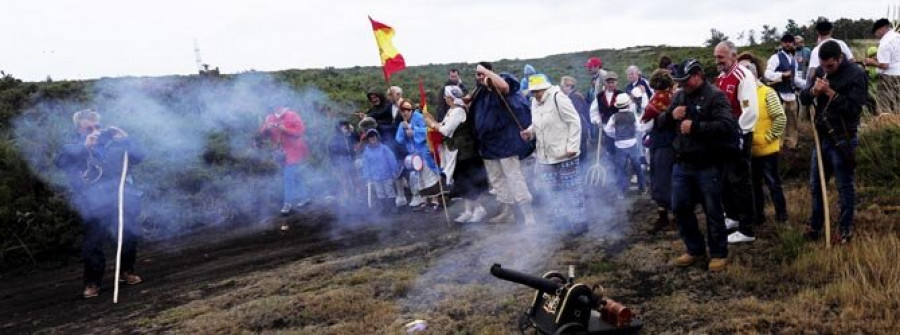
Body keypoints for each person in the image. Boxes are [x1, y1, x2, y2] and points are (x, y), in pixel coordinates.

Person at [658, 59, 739, 272]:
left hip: (708, 163)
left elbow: (727, 126)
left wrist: (695, 127)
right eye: (679, 82)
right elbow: (660, 122)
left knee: (712, 209)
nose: (682, 85)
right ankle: (694, 249)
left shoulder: (716, 96)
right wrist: (670, 115)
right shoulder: (680, 96)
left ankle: (719, 252)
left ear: (697, 75)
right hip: (682, 163)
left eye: (685, 80)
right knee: (680, 207)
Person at [55, 109, 145, 298]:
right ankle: (92, 283)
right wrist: (84, 147)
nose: (94, 131)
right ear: (79, 129)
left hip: (121, 196)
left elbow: (139, 156)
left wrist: (126, 139)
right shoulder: (71, 147)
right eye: (89, 128)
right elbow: (61, 162)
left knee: (128, 234)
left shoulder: (113, 143)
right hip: (93, 201)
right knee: (93, 242)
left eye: (97, 126)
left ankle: (126, 271)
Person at [800, 41, 867, 245]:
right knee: (816, 185)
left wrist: (830, 93)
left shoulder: (856, 74)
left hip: (842, 139)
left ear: (840, 58)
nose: (826, 69)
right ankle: (816, 224)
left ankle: (845, 228)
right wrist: (814, 92)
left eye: (830, 65)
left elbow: (854, 109)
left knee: (844, 186)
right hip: (821, 138)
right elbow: (804, 97)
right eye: (823, 65)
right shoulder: (821, 70)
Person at [468, 62, 536, 225]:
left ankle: (528, 215)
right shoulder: (480, 92)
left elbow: (505, 87)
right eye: (477, 74)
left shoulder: (501, 81)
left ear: (491, 72)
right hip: (487, 145)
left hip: (505, 142)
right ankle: (509, 213)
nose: (480, 77)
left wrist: (485, 71)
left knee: (514, 177)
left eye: (482, 73)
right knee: (497, 180)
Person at [520, 74, 586, 234]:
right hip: (545, 157)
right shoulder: (535, 103)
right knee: (552, 191)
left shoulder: (559, 98)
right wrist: (530, 132)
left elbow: (574, 121)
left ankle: (579, 222)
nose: (535, 94)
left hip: (565, 154)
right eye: (533, 92)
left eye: (538, 91)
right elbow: (538, 124)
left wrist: (572, 146)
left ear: (545, 88)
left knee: (572, 190)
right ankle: (561, 222)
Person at [714, 41, 759, 244]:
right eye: (716, 57)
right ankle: (732, 217)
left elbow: (750, 111)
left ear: (733, 55)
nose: (717, 61)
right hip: (723, 137)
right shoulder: (722, 78)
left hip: (739, 135)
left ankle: (747, 228)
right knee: (724, 180)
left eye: (721, 57)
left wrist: (737, 134)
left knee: (740, 181)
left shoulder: (743, 76)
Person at [425, 85, 488, 223]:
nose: (445, 98)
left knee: (468, 180)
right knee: (461, 181)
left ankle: (479, 209)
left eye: (446, 96)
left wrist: (432, 123)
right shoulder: (451, 111)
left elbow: (446, 130)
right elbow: (443, 126)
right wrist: (434, 123)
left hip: (465, 151)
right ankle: (468, 210)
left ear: (450, 97)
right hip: (456, 152)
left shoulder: (459, 111)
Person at [742, 59, 789, 227]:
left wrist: (768, 138)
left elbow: (780, 117)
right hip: (750, 150)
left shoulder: (767, 92)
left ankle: (782, 217)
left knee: (773, 184)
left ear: (753, 74)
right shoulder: (743, 95)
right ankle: (758, 216)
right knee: (754, 186)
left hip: (768, 150)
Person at [641, 69, 677, 232]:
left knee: (662, 180)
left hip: (663, 143)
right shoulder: (673, 95)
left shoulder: (659, 98)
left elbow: (647, 119)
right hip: (667, 142)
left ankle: (672, 217)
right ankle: (667, 215)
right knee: (663, 179)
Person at [260, 106, 310, 220]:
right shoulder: (270, 117)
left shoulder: (292, 115)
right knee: (295, 175)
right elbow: (263, 134)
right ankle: (305, 197)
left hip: (294, 151)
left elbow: (300, 132)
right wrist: (266, 129)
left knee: (288, 177)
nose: (276, 107)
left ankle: (288, 203)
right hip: (280, 153)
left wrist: (285, 129)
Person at [395, 98, 443, 211]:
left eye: (407, 109)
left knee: (430, 176)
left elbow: (428, 130)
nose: (405, 112)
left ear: (412, 109)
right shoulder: (403, 123)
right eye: (403, 110)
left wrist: (414, 131)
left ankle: (435, 201)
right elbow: (399, 140)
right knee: (419, 179)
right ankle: (425, 200)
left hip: (424, 152)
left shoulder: (419, 117)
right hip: (414, 156)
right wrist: (404, 130)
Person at [764, 34, 807, 149]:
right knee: (779, 122)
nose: (787, 44)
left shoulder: (794, 61)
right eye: (785, 42)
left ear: (793, 44)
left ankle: (791, 144)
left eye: (790, 42)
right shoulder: (775, 58)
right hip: (779, 94)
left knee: (792, 122)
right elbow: (767, 74)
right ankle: (778, 145)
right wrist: (782, 74)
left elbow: (796, 79)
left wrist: (808, 84)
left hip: (791, 95)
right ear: (782, 43)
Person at [604, 93, 645, 197]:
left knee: (621, 168)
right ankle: (642, 188)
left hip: (619, 145)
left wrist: (616, 135)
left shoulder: (614, 117)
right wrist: (633, 133)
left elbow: (607, 130)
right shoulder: (632, 115)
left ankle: (621, 192)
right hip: (632, 144)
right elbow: (638, 128)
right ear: (628, 104)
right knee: (637, 166)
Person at [360, 129, 402, 213]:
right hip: (375, 176)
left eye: (374, 138)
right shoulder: (367, 152)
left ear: (377, 138)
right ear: (368, 140)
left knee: (389, 191)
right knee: (380, 192)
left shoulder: (384, 148)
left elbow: (391, 160)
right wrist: (367, 176)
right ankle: (385, 208)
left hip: (387, 174)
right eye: (371, 139)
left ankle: (393, 207)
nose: (373, 140)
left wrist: (394, 171)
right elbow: (365, 164)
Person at [864, 18, 900, 114]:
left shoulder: (885, 43)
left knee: (884, 106)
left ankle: (885, 126)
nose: (876, 35)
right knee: (897, 105)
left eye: (876, 32)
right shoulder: (897, 37)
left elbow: (885, 65)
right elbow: (895, 57)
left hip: (889, 78)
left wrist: (871, 62)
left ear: (882, 29)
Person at [590, 71, 625, 160]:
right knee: (610, 148)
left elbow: (628, 109)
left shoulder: (621, 94)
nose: (610, 84)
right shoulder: (599, 96)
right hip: (606, 127)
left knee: (621, 149)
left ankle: (622, 168)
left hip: (620, 127)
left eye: (613, 82)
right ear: (605, 83)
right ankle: (613, 168)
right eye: (608, 82)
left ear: (616, 82)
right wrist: (597, 121)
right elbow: (594, 111)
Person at [560, 75, 592, 163]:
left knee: (581, 153)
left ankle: (583, 172)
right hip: (580, 128)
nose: (562, 88)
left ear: (569, 86)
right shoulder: (574, 95)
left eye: (563, 86)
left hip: (580, 128)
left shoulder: (574, 97)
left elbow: (576, 114)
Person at [328, 121, 358, 203]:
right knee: (344, 181)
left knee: (354, 179)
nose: (346, 129)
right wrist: (335, 164)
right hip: (342, 163)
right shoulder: (334, 139)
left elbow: (357, 140)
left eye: (347, 127)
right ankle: (347, 198)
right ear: (339, 128)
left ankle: (355, 197)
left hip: (351, 161)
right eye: (344, 127)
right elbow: (332, 153)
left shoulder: (349, 137)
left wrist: (352, 131)